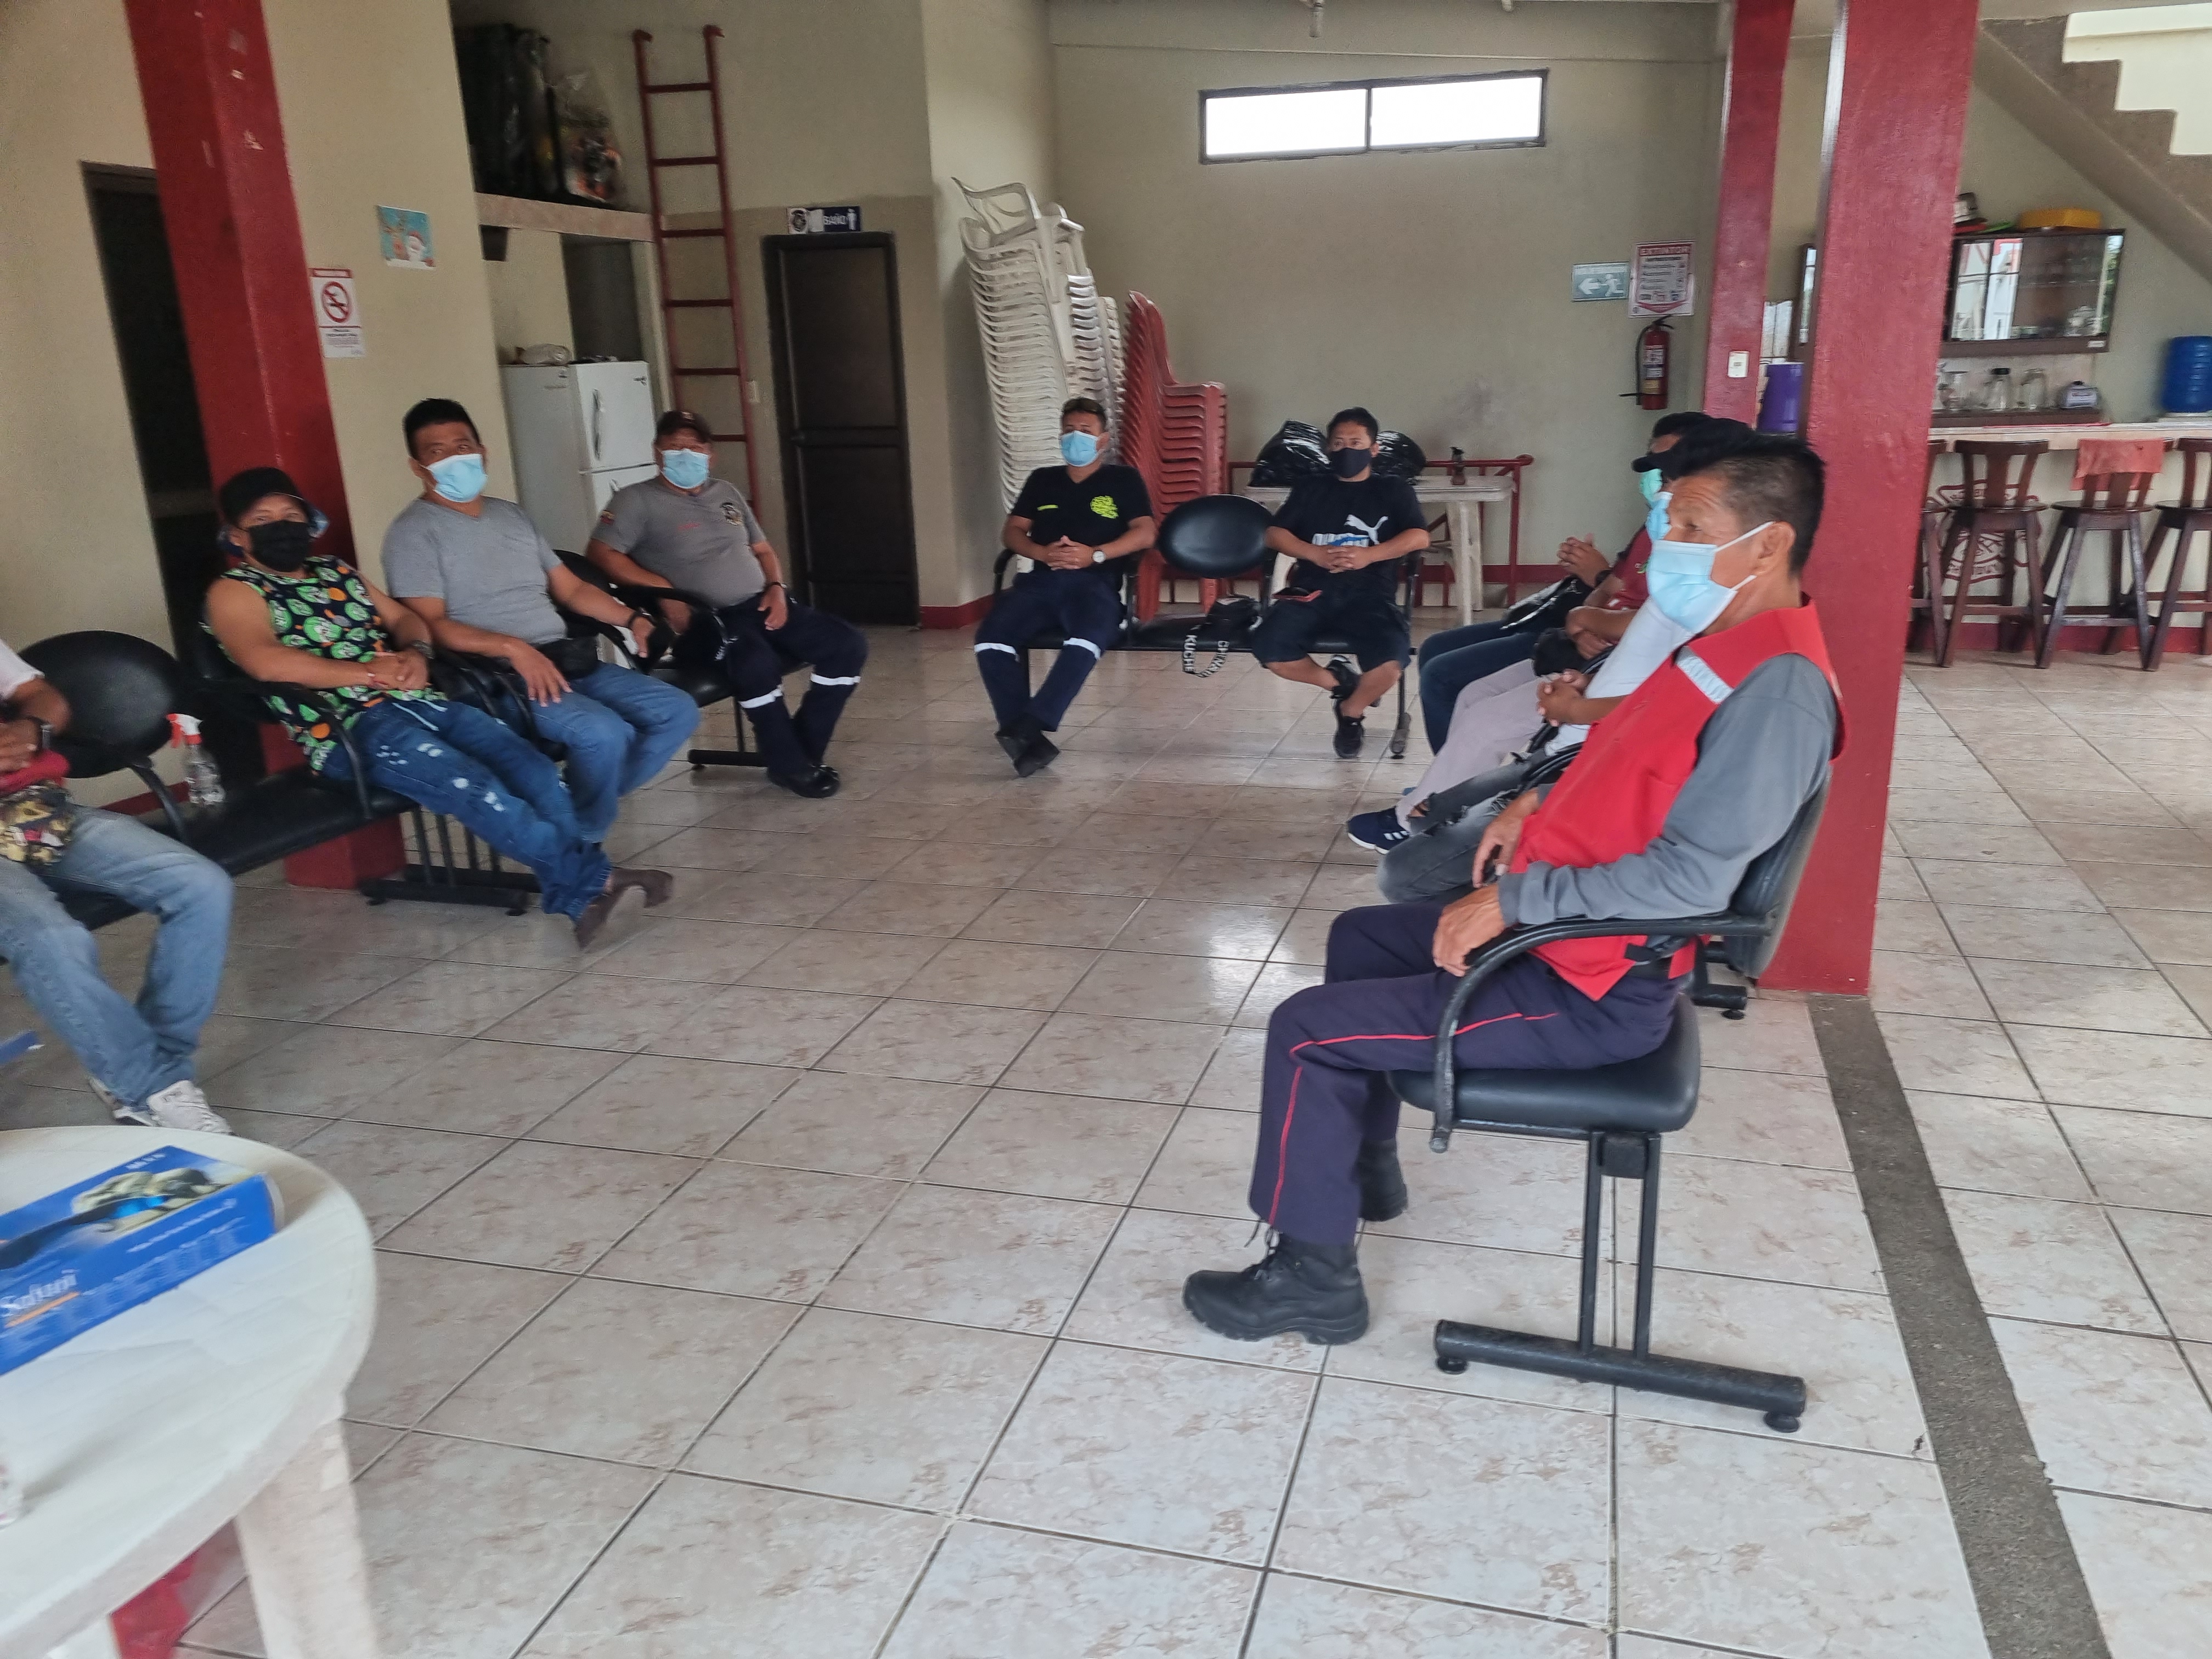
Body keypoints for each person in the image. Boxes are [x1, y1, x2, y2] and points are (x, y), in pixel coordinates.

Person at [1181, 427, 1842, 1344]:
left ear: (1768, 545)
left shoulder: (1777, 689)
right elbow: (1631, 754)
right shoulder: (1725, 646)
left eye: (1694, 527)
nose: (1672, 547)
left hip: (1594, 985)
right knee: (1359, 938)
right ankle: (1359, 1170)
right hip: (1570, 939)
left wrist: (1513, 902)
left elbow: (1695, 877)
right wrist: (1533, 801)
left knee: (1304, 1030)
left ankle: (1310, 1280)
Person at [207, 467, 670, 946]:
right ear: (237, 536)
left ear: (308, 520)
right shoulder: (236, 590)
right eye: (262, 519)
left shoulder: (336, 571)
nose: (281, 527)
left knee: (529, 766)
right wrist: (366, 674)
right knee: (474, 786)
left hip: (420, 700)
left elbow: (405, 618)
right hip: (350, 727)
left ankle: (584, 894)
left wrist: (415, 652)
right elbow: (264, 662)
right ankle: (598, 883)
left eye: (290, 515)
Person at [381, 398, 699, 837]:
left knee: (677, 710)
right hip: (497, 677)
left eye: (463, 446)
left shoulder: (511, 516)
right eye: (438, 452)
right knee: (604, 734)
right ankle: (584, 845)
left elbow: (572, 590)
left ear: (483, 452)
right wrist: (512, 648)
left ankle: (574, 823)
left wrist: (633, 619)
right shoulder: (413, 533)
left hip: (565, 659)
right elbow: (429, 625)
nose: (455, 458)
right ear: (418, 467)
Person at [0, 648, 233, 1131]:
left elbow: (40, 695)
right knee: (51, 938)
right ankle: (151, 1088)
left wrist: (31, 729)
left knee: (200, 885)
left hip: (34, 809)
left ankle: (147, 1072)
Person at [585, 410, 869, 799]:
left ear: (710, 454)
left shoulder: (726, 492)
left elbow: (763, 549)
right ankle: (792, 766)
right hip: (709, 621)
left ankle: (800, 751)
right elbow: (601, 554)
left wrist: (776, 587)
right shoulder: (636, 500)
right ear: (657, 452)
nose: (686, 454)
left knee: (846, 645)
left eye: (695, 447)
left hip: (762, 603)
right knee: (755, 663)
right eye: (675, 446)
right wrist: (662, 589)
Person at [1408, 410, 1715, 757]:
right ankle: (1452, 771)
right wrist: (1583, 623)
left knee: (1447, 678)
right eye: (1655, 467)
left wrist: (1592, 590)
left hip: (1605, 648)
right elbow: (1609, 588)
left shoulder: (1700, 548)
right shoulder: (1654, 525)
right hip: (1572, 626)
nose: (1659, 480)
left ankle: (1456, 777)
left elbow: (1654, 619)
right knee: (1435, 648)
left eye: (1668, 470)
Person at [970, 398, 1155, 776]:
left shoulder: (1123, 480)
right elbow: (1013, 531)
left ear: (1103, 440)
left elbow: (1145, 532)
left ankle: (1031, 723)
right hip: (1039, 582)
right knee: (991, 640)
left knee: (1088, 638)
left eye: (1086, 431)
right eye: (1069, 430)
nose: (1076, 437)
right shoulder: (1043, 480)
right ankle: (1023, 735)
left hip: (1094, 582)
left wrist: (1095, 555)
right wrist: (1040, 551)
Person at [1249, 408, 1429, 758]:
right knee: (1269, 648)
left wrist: (1370, 555)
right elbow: (1274, 533)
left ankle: (1351, 713)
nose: (1347, 450)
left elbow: (1419, 536)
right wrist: (1313, 553)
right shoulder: (1311, 487)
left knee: (1391, 664)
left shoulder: (1393, 489)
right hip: (1311, 591)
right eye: (1339, 443)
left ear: (1374, 449)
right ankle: (1340, 683)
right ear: (1328, 448)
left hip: (1370, 594)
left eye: (1356, 443)